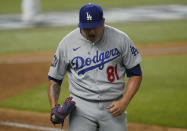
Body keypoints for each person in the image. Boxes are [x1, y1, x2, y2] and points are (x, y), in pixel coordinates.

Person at [48, 3, 142, 131]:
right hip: (80, 107)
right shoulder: (67, 43)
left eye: (94, 27)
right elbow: (55, 79)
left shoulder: (121, 39)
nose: (91, 32)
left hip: (113, 106)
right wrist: (54, 108)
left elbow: (135, 73)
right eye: (86, 28)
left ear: (103, 22)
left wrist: (124, 102)